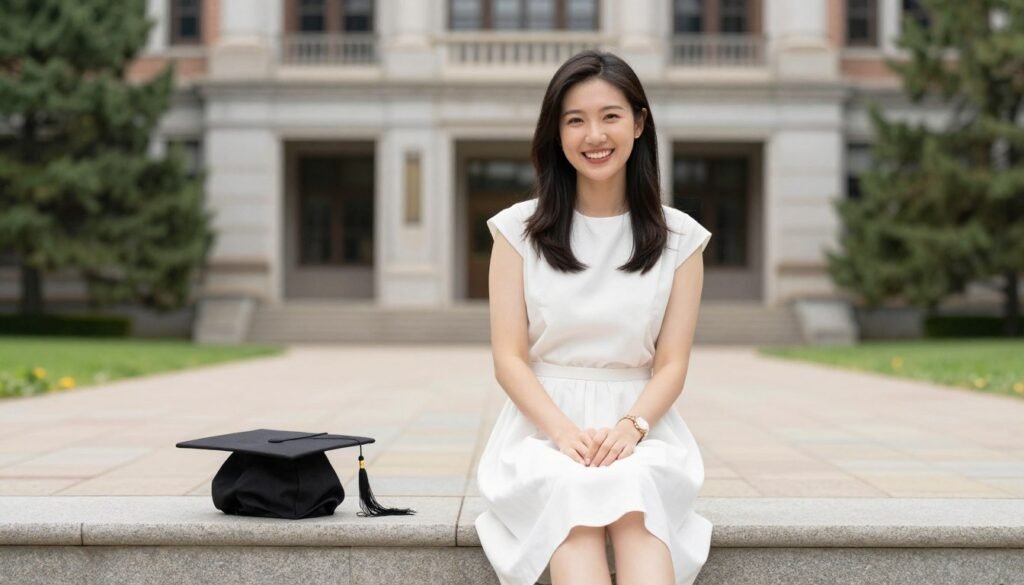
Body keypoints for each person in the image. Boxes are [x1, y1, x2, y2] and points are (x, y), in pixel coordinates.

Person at [474, 50, 714, 585]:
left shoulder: (681, 240)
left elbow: (672, 364)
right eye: (575, 120)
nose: (594, 135)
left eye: (610, 116)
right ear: (556, 133)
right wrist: (562, 434)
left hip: (643, 428)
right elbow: (508, 359)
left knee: (637, 510)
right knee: (573, 501)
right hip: (540, 432)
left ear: (638, 122)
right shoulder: (517, 232)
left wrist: (632, 427)